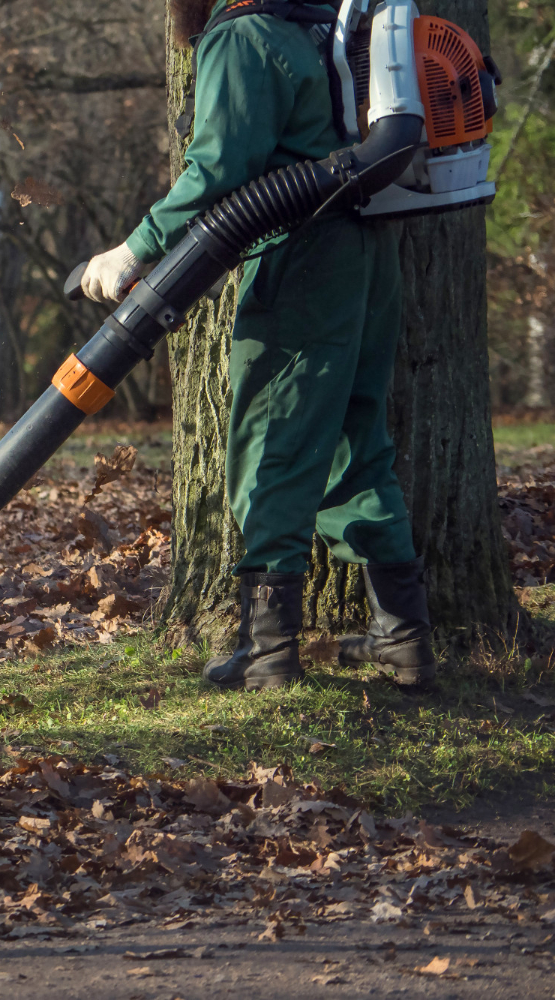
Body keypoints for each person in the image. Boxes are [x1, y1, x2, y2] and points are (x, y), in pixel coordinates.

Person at [80, 0, 435, 691]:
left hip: (303, 256)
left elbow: (217, 172)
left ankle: (268, 653)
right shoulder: (318, 27)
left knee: (274, 439)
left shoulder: (246, 36)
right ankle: (406, 641)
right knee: (353, 441)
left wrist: (135, 249)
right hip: (367, 252)